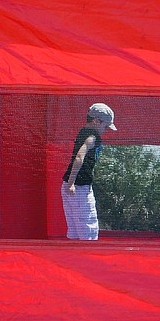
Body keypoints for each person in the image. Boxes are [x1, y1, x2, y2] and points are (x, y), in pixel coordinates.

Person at [61, 103, 117, 240]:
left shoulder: (82, 131)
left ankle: (73, 258)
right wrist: (72, 183)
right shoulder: (92, 138)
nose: (105, 130)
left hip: (68, 187)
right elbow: (79, 157)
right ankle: (88, 259)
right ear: (96, 121)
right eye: (105, 126)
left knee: (74, 229)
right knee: (89, 231)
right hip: (78, 188)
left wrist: (68, 184)